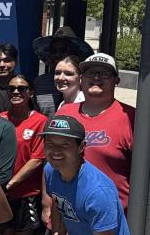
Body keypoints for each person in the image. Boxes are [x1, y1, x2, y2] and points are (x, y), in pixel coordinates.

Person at [55, 53, 134, 211]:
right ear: (81, 79)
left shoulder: (132, 117)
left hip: (112, 219)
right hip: (67, 215)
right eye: (90, 73)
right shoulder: (64, 112)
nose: (96, 77)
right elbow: (50, 163)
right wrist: (46, 202)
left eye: (104, 73)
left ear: (116, 80)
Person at [0, 75, 47, 235]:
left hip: (25, 195)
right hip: (1, 195)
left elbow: (38, 159)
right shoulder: (0, 119)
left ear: (30, 92)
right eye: (12, 88)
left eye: (22, 88)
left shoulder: (40, 121)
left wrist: (11, 183)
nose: (16, 92)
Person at [31, 27, 93, 117]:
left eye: (63, 50)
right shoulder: (40, 82)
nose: (57, 54)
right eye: (53, 51)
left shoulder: (88, 84)